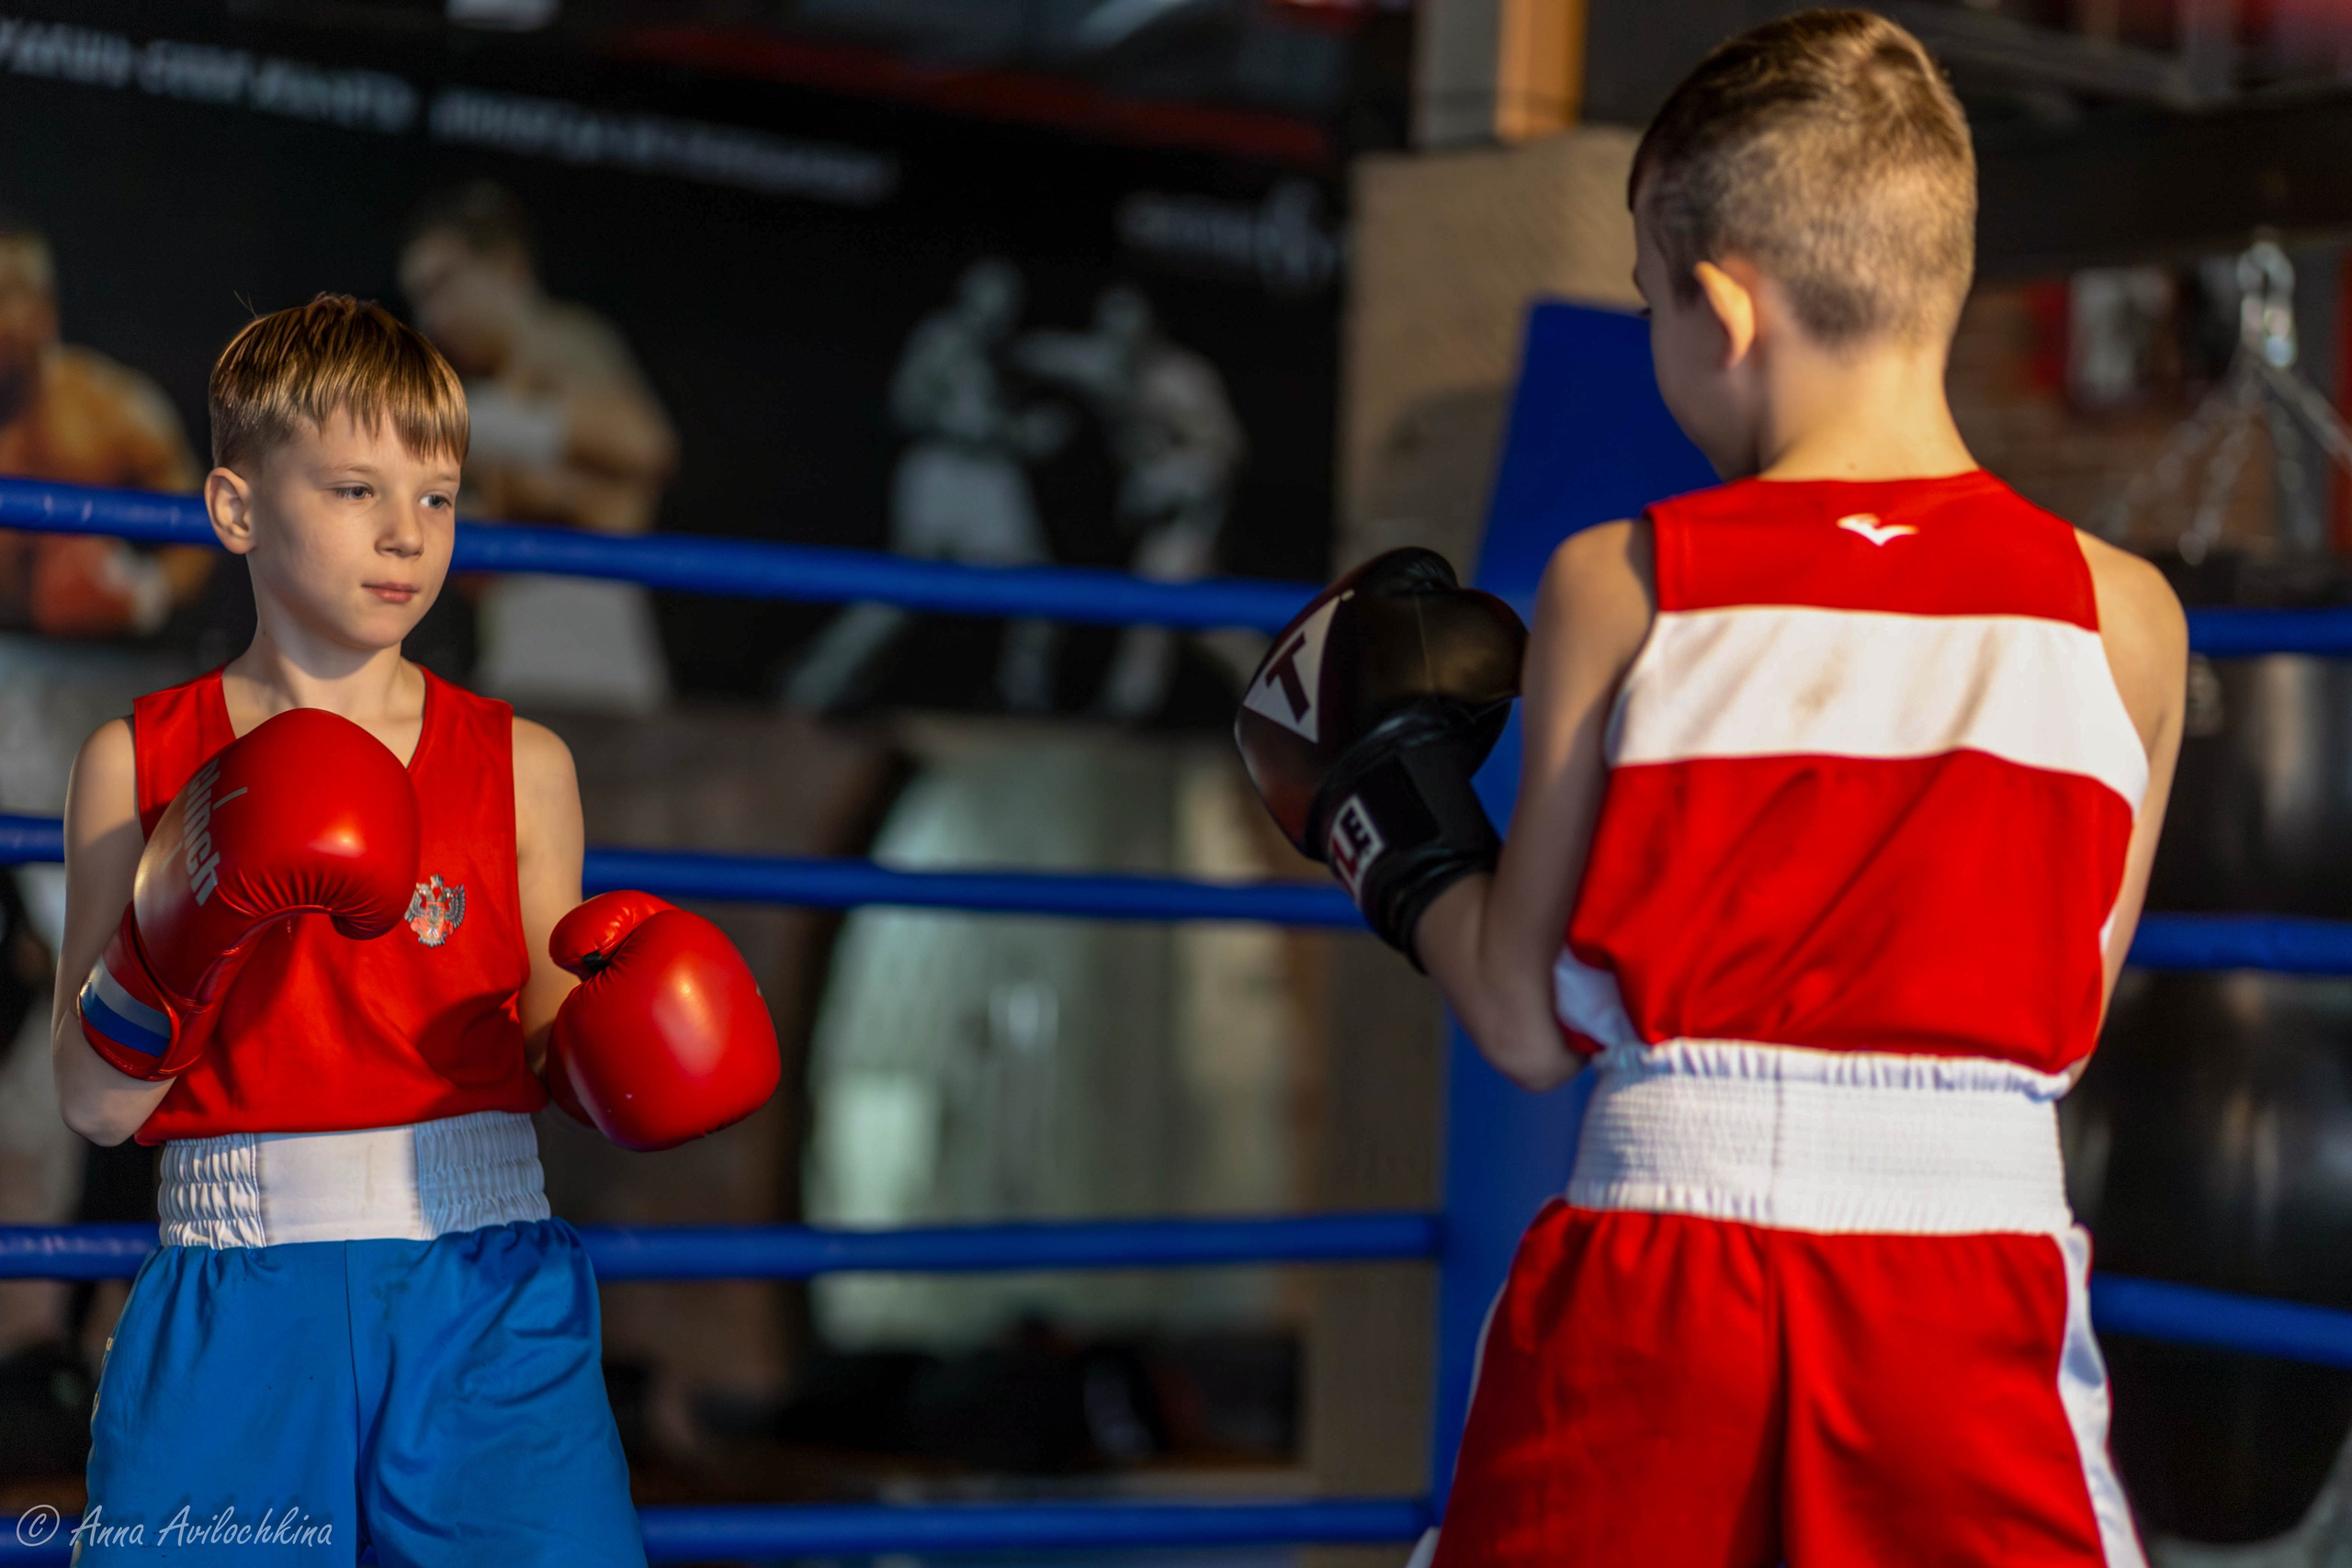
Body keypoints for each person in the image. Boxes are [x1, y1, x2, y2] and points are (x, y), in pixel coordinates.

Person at [1237, 13, 2187, 1563]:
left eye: (1648, 306)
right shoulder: (2125, 617)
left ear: (1726, 310)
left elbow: (1525, 1021)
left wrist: (1387, 835)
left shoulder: (1626, 581)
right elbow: (2053, 1019)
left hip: (1662, 1272)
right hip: (1973, 1287)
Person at [50, 296, 776, 1562]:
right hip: (237, 1297)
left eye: (437, 496)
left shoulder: (522, 765)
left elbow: (555, 1041)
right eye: (353, 488)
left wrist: (638, 1047)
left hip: (485, 1296)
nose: (405, 534)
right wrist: (184, 932)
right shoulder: (140, 759)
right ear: (235, 509)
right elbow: (96, 1102)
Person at [399, 182, 678, 713]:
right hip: (516, 671)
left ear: (506, 267)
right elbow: (472, 567)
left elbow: (645, 455)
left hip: (607, 680)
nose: (432, 317)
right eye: (421, 297)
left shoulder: (570, 348)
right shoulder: (462, 400)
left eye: (443, 284)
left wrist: (521, 477)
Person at [786, 256, 1071, 715]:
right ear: (968, 293)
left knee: (1038, 591)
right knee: (902, 590)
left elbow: (994, 420)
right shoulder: (942, 338)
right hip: (943, 472)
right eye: (991, 294)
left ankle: (1025, 702)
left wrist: (1024, 432)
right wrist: (971, 426)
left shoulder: (1002, 352)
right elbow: (907, 404)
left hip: (988, 476)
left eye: (1010, 299)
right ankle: (811, 686)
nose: (1000, 308)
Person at [1016, 286, 1245, 720]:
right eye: (1112, 328)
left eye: (1131, 329)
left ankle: (1126, 709)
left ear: (1151, 332)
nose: (1121, 338)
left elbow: (1226, 451)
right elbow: (1052, 355)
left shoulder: (1180, 377)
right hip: (1151, 505)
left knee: (1156, 598)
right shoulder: (1105, 364)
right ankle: (1287, 688)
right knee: (1199, 613)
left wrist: (1167, 483)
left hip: (1191, 504)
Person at [0, 213, 208, 637]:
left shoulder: (110, 407)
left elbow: (204, 529)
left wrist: (143, 596)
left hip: (98, 662)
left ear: (42, 312)